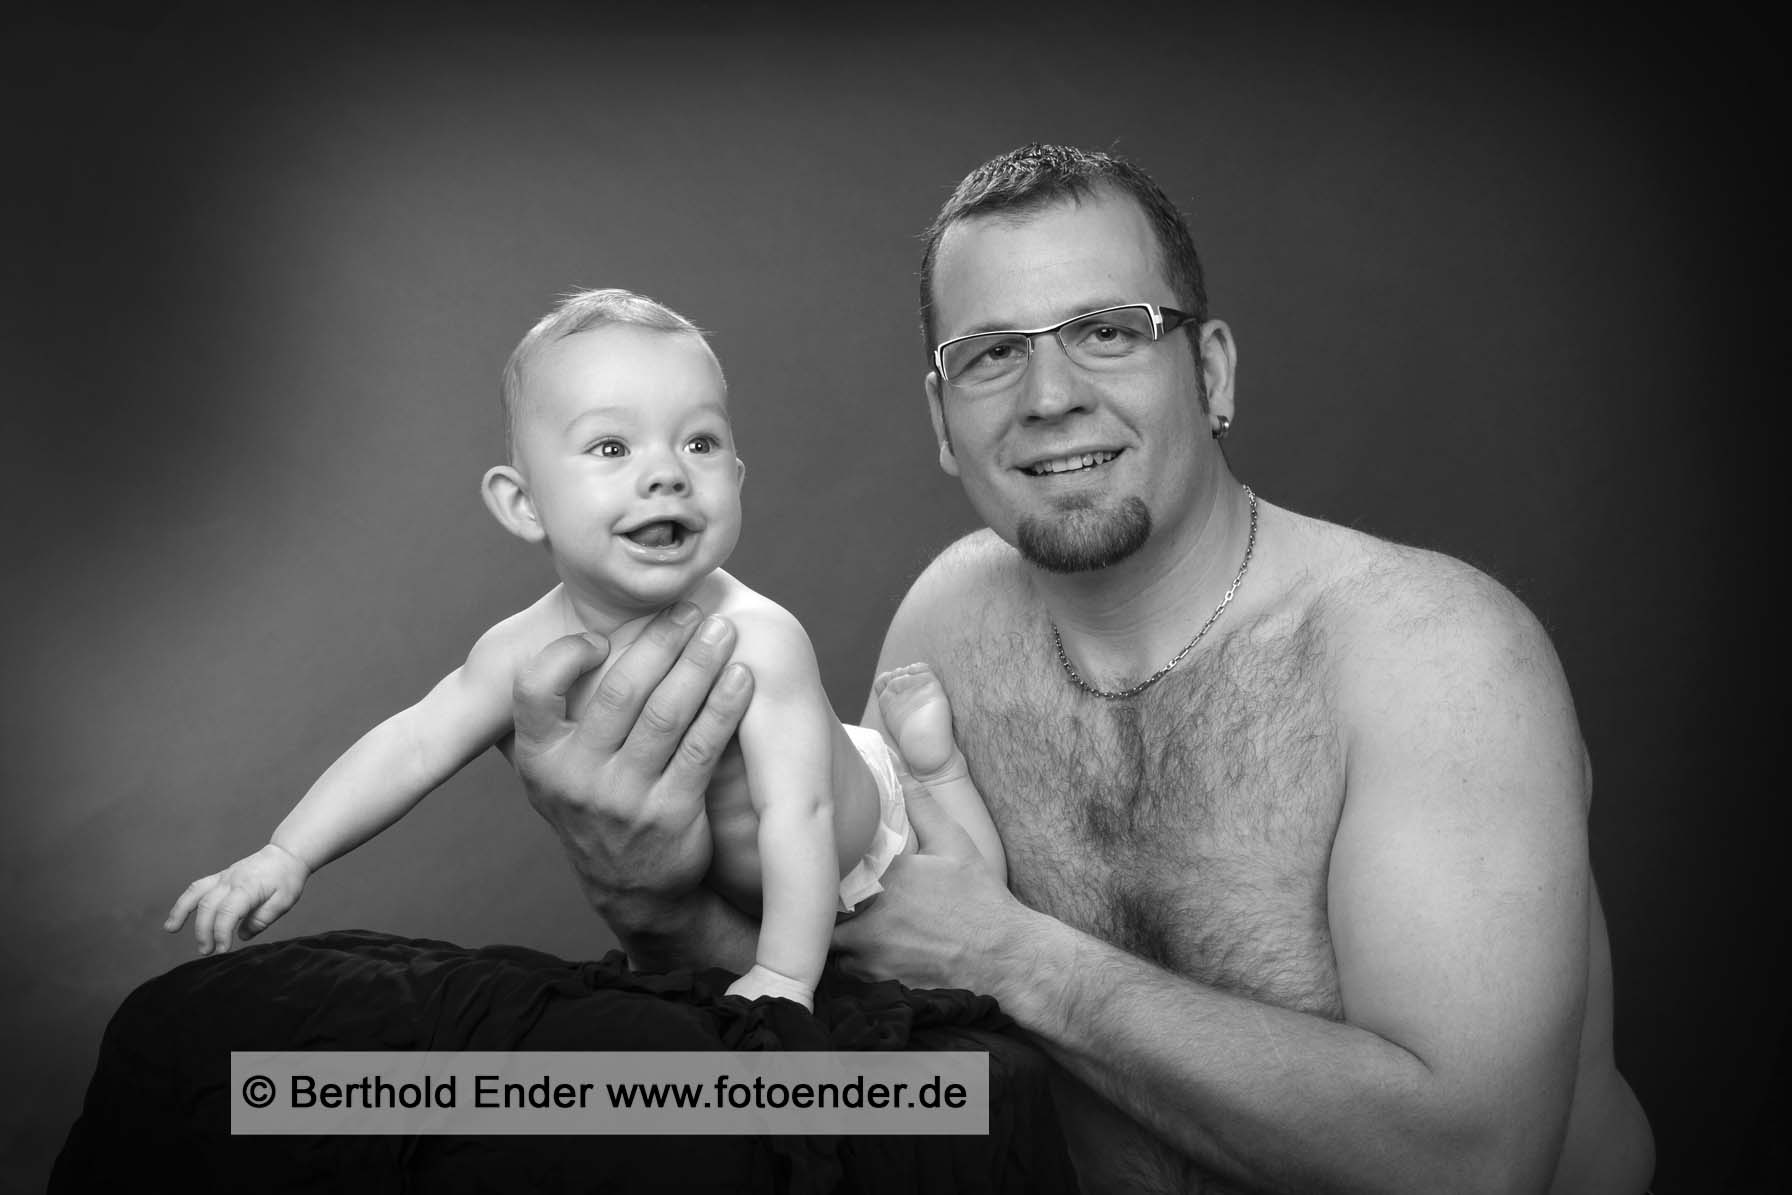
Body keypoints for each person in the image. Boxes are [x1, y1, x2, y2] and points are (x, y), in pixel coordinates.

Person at [507, 146, 1655, 1193]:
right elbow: (879, 1071)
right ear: (943, 419)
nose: (1050, 395)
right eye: (992, 354)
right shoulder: (948, 630)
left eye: (1107, 330)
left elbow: (1469, 1164)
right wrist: (653, 909)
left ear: (1209, 370)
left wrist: (1013, 957)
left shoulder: (1432, 655)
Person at [162, 287, 1003, 1011]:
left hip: (863, 834)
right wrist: (288, 851)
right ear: (523, 504)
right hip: (740, 897)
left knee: (977, 878)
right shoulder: (523, 647)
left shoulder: (758, 636)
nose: (667, 472)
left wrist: (783, 975)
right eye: (612, 447)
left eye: (699, 442)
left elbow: (803, 813)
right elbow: (414, 741)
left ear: (737, 479)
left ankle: (935, 770)